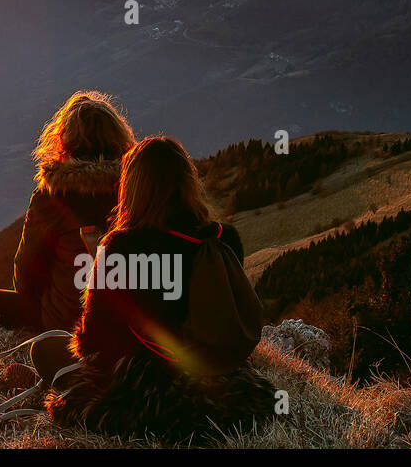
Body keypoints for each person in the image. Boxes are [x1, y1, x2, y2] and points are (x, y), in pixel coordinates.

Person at [43, 136, 276, 440]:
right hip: (224, 380)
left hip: (148, 390)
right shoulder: (223, 240)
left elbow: (92, 342)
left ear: (132, 189)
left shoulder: (121, 247)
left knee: (44, 352)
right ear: (188, 183)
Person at [0, 91, 135, 371]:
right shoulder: (140, 187)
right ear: (120, 137)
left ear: (63, 140)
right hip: (133, 321)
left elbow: (26, 279)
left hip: (65, 323)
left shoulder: (51, 197)